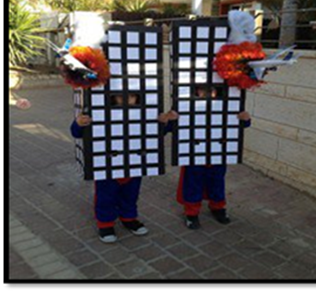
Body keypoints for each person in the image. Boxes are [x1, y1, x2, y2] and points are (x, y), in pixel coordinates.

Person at [159, 87, 251, 230]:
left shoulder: (226, 106)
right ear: (195, 91)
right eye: (203, 90)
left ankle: (218, 208)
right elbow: (166, 129)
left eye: (212, 90)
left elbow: (238, 125)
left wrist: (245, 120)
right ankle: (191, 212)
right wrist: (166, 121)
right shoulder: (184, 107)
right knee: (192, 183)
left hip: (217, 154)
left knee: (217, 182)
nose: (208, 93)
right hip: (194, 155)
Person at [70, 93, 148, 243]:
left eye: (131, 96)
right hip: (106, 163)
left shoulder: (144, 113)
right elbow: (76, 133)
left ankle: (129, 217)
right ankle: (105, 223)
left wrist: (163, 122)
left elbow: (158, 132)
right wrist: (79, 123)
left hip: (133, 162)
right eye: (120, 96)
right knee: (106, 196)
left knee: (131, 193)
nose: (126, 99)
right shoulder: (98, 112)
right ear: (112, 97)